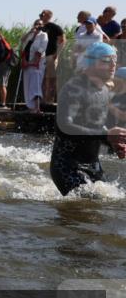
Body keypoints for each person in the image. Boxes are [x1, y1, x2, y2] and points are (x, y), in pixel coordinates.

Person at [50, 42, 126, 196]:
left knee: (106, 206)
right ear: (91, 63)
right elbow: (64, 126)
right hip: (68, 166)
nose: (113, 65)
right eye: (106, 60)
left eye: (114, 60)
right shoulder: (74, 88)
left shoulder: (103, 91)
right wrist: (105, 135)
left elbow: (95, 127)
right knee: (86, 208)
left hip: (93, 165)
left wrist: (112, 142)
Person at [21, 20, 48, 114]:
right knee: (27, 84)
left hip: (37, 64)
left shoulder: (43, 35)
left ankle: (37, 107)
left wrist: (33, 61)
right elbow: (22, 41)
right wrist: (30, 32)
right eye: (36, 23)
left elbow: (42, 48)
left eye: (40, 24)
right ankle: (30, 106)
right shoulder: (30, 35)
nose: (38, 25)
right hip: (27, 62)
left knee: (35, 85)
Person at [39, 9, 65, 104]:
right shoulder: (40, 27)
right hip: (41, 57)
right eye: (41, 14)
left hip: (51, 55)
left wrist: (57, 54)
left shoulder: (55, 27)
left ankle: (50, 99)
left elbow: (63, 40)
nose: (41, 16)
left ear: (49, 16)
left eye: (43, 14)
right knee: (42, 78)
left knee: (51, 78)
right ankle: (42, 99)